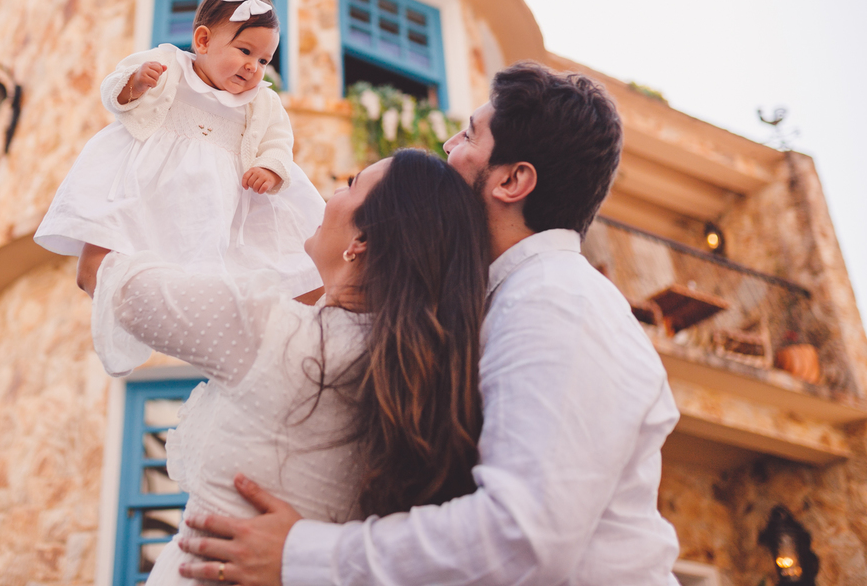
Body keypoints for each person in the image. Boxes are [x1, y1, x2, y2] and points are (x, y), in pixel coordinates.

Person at [176, 62, 683, 585]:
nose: (447, 144)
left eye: (469, 134)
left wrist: (304, 554)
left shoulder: (557, 303)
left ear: (511, 180)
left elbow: (521, 536)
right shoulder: (491, 299)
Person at [75, 149, 492, 586]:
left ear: (361, 242)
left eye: (351, 184)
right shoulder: (419, 377)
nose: (333, 191)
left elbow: (97, 271)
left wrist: (141, 146)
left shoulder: (266, 330)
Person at [36, 0, 326, 305]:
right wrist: (135, 83)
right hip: (153, 185)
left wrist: (270, 168)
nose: (253, 67)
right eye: (245, 51)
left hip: (224, 200)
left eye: (263, 60)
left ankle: (267, 318)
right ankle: (115, 295)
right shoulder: (168, 65)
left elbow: (278, 141)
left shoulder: (262, 102)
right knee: (107, 246)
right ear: (203, 41)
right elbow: (113, 94)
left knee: (265, 266)